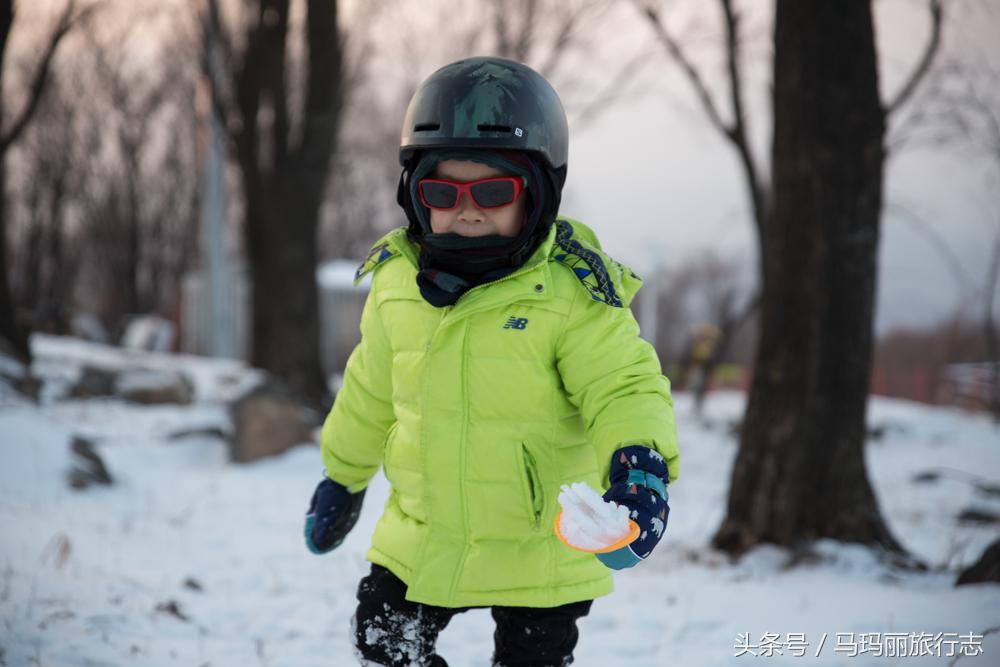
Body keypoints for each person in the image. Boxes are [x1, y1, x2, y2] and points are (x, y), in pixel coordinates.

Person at [304, 56, 680, 667]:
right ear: (414, 194)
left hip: (540, 546)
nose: (468, 210)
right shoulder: (397, 283)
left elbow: (623, 385)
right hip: (425, 535)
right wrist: (343, 475)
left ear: (537, 194)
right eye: (443, 192)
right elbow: (370, 391)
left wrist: (640, 464)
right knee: (381, 642)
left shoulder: (573, 292)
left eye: (493, 191)